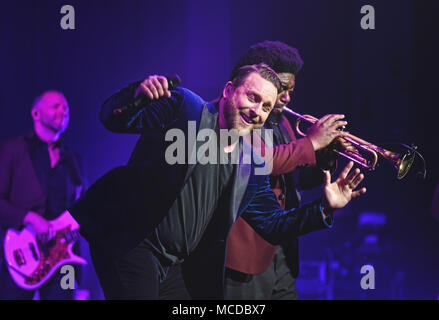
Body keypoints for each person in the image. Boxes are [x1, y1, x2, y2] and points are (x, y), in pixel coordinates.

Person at [68, 63, 366, 299]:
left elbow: (272, 224)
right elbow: (114, 119)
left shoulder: (250, 161)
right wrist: (136, 96)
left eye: (265, 106)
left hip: (175, 264)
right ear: (228, 90)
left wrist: (325, 209)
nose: (257, 111)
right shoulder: (186, 108)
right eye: (252, 97)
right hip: (133, 243)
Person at [224, 41, 351, 299]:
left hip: (279, 252)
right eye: (282, 90)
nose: (288, 98)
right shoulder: (238, 117)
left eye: (290, 90)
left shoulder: (281, 123)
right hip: (243, 257)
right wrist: (311, 142)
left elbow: (292, 179)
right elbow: (259, 162)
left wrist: (325, 158)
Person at [0, 91, 87, 299]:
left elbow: (83, 210)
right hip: (20, 256)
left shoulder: (74, 160)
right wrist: (28, 217)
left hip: (64, 260)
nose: (63, 111)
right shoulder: (14, 150)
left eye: (66, 107)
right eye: (55, 106)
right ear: (36, 114)